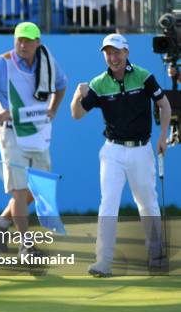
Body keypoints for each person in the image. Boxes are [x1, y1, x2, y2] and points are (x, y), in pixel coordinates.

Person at [70, 33, 171, 277]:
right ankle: (103, 262)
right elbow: (77, 114)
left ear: (126, 53)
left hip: (142, 149)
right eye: (108, 53)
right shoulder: (99, 83)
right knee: (109, 204)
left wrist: (162, 136)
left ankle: (156, 256)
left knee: (147, 203)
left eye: (116, 52)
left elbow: (164, 105)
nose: (112, 58)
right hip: (112, 150)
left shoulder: (144, 77)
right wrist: (77, 94)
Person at [0, 22, 67, 258]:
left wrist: (53, 109)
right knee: (19, 190)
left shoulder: (46, 61)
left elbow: (61, 85)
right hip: (11, 131)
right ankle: (26, 245)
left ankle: (2, 224)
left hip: (38, 132)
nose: (23, 44)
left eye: (28, 40)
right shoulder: (2, 63)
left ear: (38, 43)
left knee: (40, 187)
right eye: (19, 39)